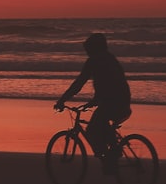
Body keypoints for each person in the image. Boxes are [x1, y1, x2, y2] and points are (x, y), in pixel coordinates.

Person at [54, 33, 132, 173]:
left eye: (88, 48)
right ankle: (112, 154)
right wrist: (96, 100)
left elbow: (79, 83)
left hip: (112, 102)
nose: (87, 52)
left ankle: (109, 158)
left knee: (92, 129)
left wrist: (62, 100)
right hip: (123, 100)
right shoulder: (110, 58)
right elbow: (110, 82)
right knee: (102, 125)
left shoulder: (94, 61)